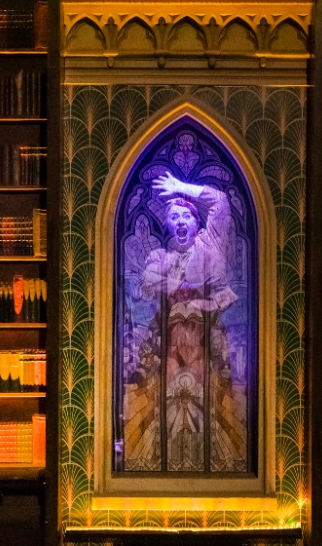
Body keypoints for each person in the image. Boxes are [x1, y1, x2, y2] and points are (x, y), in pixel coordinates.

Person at [137, 170, 237, 470]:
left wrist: (181, 187)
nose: (181, 221)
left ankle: (209, 465)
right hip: (170, 347)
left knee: (207, 407)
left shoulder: (212, 245)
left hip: (205, 343)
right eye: (174, 217)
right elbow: (145, 287)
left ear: (197, 222)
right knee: (167, 406)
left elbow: (220, 201)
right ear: (168, 224)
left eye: (187, 216)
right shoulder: (159, 257)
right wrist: (175, 283)